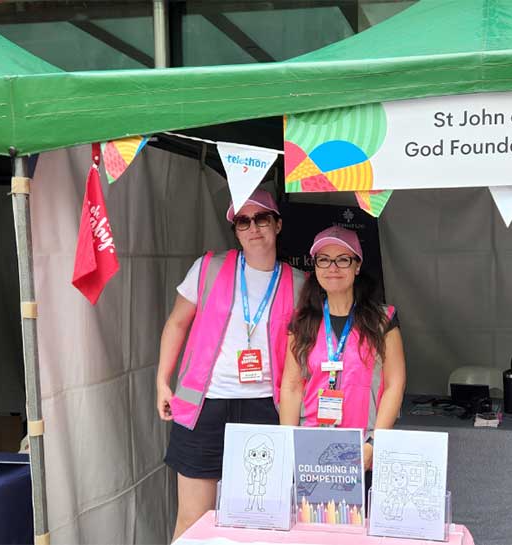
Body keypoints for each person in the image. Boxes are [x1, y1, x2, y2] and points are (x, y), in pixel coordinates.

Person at [156, 188, 305, 540]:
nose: (253, 228)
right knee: (194, 518)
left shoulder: (299, 283)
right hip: (204, 404)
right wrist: (162, 380)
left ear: (278, 224)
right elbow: (177, 323)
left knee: (259, 518)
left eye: (261, 218)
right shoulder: (207, 267)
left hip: (266, 408)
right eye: (243, 221)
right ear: (235, 229)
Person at [279, 226, 406, 476]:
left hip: (361, 448)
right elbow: (292, 385)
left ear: (357, 266)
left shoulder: (383, 320)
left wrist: (375, 443)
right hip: (311, 446)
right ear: (314, 267)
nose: (332, 268)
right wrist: (288, 443)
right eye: (324, 260)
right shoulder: (302, 322)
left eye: (342, 260)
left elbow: (395, 384)